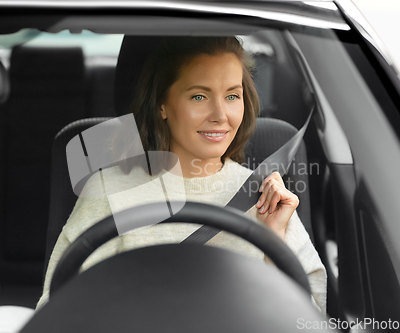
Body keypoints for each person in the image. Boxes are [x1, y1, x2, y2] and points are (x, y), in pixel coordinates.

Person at [37, 36, 326, 313]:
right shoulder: (110, 190)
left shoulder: (266, 196)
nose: (220, 114)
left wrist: (273, 236)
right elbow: (57, 311)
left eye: (232, 96)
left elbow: (307, 322)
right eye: (199, 96)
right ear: (162, 104)